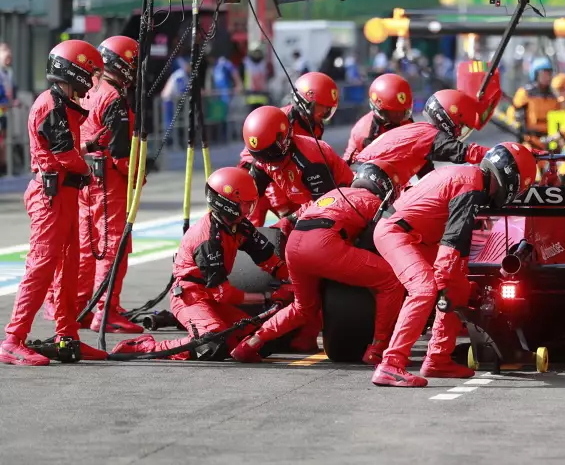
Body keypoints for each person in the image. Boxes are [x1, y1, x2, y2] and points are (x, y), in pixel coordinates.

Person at [370, 142, 537, 387]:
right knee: (425, 289)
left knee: (457, 288)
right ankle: (390, 365)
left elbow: (457, 251)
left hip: (414, 235)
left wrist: (462, 286)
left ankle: (438, 359)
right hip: (398, 233)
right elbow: (450, 252)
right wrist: (449, 282)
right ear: (510, 180)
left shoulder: (470, 177)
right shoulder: (471, 187)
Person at [230, 162, 404, 365]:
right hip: (324, 244)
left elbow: (293, 219)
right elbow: (387, 238)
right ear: (383, 187)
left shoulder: (332, 194)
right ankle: (378, 348)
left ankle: (250, 344)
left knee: (302, 308)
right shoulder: (374, 203)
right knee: (391, 280)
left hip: (295, 245)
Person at [111, 168, 291, 360]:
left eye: (250, 204)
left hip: (213, 296)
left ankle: (200, 325)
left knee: (265, 339)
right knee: (212, 345)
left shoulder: (239, 226)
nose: (248, 210)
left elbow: (270, 260)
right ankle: (147, 346)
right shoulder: (207, 240)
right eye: (245, 205)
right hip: (190, 296)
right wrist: (267, 298)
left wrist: (290, 280)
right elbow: (225, 293)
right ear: (227, 205)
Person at [1, 40, 107, 366]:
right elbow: (63, 155)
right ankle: (13, 340)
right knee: (42, 267)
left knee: (68, 268)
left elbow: (67, 150)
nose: (91, 79)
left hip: (64, 196)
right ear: (72, 70)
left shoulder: (62, 103)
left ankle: (67, 337)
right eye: (88, 72)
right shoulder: (53, 106)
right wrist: (86, 167)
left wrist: (85, 155)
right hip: (51, 198)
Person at [72, 36, 144, 333]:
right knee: (114, 246)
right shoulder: (114, 98)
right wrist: (139, 176)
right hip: (110, 183)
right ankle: (106, 309)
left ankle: (81, 306)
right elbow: (121, 154)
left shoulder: (89, 90)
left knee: (88, 248)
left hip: (86, 179)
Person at [353, 90, 487, 191]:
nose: (460, 133)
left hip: (365, 176)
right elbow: (464, 152)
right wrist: (501, 153)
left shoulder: (421, 133)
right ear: (452, 120)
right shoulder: (429, 136)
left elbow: (429, 177)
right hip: (367, 181)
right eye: (461, 127)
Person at [242, 106, 353, 224]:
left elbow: (324, 204)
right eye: (259, 155)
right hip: (307, 201)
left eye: (270, 152)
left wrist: (289, 220)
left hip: (342, 201)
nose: (266, 160)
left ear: (284, 140)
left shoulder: (309, 161)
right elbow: (250, 192)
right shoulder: (264, 160)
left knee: (299, 237)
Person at [343, 73, 414, 164]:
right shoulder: (365, 132)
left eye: (402, 112)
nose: (399, 116)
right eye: (393, 112)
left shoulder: (406, 119)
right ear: (379, 109)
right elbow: (354, 166)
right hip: (363, 167)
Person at [508, 57, 560, 152]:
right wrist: (518, 124)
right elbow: (512, 112)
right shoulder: (525, 93)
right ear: (535, 74)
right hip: (530, 140)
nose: (547, 77)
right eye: (543, 74)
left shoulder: (554, 96)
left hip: (550, 141)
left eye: (549, 74)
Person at [282, 71, 339, 140]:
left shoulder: (318, 127)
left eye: (328, 108)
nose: (325, 111)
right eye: (321, 105)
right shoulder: (283, 119)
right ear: (306, 101)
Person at [243, 43, 271, 112]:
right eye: (255, 52)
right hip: (251, 96)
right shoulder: (246, 63)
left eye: (258, 52)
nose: (257, 54)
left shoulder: (264, 63)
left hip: (263, 96)